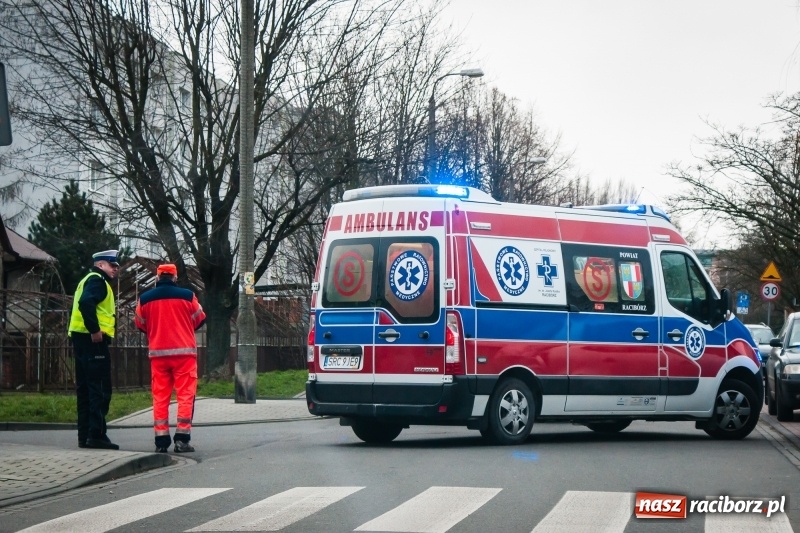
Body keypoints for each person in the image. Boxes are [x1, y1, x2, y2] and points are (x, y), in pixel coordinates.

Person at [135, 263, 206, 453]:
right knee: (185, 396)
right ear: (175, 278)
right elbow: (200, 318)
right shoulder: (187, 296)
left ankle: (161, 441)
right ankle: (182, 440)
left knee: (160, 397)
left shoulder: (145, 299)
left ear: (158, 278)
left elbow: (140, 324)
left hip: (158, 355)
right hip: (184, 355)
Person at [68, 249, 120, 450]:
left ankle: (85, 436)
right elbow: (86, 303)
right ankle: (96, 435)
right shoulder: (98, 280)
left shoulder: (86, 280)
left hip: (80, 340)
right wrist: (95, 330)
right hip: (93, 342)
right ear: (100, 265)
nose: (115, 269)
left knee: (85, 390)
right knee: (99, 389)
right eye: (112, 265)